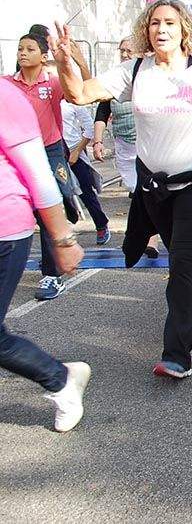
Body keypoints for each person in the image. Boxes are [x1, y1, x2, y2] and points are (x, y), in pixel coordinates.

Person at [50, 0, 192, 381]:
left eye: (169, 23)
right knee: (178, 253)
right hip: (155, 187)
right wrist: (63, 59)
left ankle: (177, 355)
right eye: (155, 23)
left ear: (184, 29)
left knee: (181, 261)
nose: (161, 30)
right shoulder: (134, 70)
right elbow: (79, 94)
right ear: (146, 29)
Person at [1, 81, 89, 432]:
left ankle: (61, 380)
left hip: (4, 230)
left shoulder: (6, 97)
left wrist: (63, 240)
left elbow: (40, 174)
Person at [4, 33, 79, 301]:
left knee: (54, 205)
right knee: (33, 207)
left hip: (50, 150)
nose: (23, 53)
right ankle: (49, 269)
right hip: (18, 153)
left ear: (43, 55)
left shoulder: (53, 82)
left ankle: (52, 273)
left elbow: (80, 93)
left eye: (30, 48)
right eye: (20, 48)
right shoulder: (7, 85)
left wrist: (70, 61)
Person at [93, 38, 159, 260]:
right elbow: (102, 112)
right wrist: (98, 141)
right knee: (136, 190)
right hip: (124, 147)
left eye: (128, 50)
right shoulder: (116, 79)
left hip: (149, 145)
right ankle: (153, 232)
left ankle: (151, 239)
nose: (124, 54)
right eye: (121, 51)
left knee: (146, 192)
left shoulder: (149, 77)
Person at [61, 99, 110, 245]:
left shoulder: (72, 101)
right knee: (56, 192)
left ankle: (101, 224)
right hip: (53, 151)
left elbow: (89, 128)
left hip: (74, 149)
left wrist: (76, 152)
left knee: (86, 191)